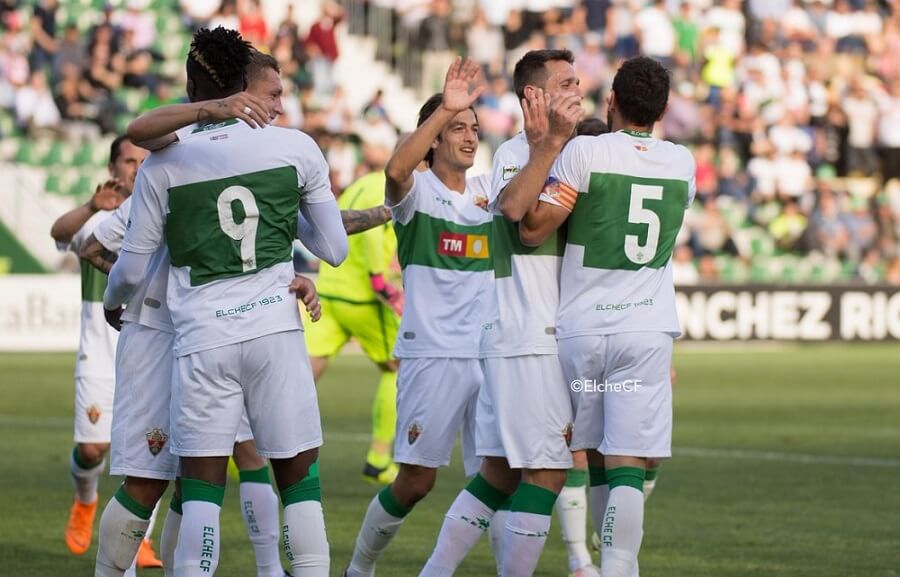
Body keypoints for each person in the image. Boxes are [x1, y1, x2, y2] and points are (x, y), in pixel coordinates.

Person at [102, 27, 347, 576]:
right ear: (248, 84)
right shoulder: (295, 147)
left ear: (191, 86)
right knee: (298, 482)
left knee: (202, 493)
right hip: (275, 335)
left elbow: (132, 269)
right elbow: (333, 248)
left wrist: (112, 302)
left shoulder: (166, 164)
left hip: (202, 341)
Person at [516, 56, 695, 577]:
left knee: (590, 453)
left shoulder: (585, 153)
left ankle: (594, 562)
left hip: (584, 334)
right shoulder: (681, 163)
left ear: (611, 101)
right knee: (628, 466)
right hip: (644, 332)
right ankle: (618, 567)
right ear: (662, 110)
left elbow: (534, 228)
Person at [418, 49, 594, 577]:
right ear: (533, 98)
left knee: (498, 474)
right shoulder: (520, 153)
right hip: (528, 334)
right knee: (545, 476)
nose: (577, 92)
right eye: (565, 84)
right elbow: (519, 214)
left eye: (579, 82)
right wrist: (552, 145)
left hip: (523, 334)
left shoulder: (567, 150)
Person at [344, 58, 493, 577]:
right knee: (416, 483)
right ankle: (359, 568)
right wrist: (441, 109)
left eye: (474, 127)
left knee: (498, 475)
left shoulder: (489, 194)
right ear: (433, 137)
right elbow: (395, 171)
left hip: (489, 354)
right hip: (434, 354)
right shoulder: (417, 194)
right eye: (457, 126)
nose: (470, 135)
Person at [49, 135, 160, 569]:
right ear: (114, 166)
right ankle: (84, 500)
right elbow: (60, 233)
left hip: (148, 343)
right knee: (94, 450)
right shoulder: (100, 215)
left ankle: (142, 538)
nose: (136, 168)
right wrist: (94, 207)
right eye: (129, 161)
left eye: (143, 160)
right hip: (100, 350)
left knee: (148, 451)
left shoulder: (163, 205)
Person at [304, 170, 402, 485]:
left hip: (330, 288)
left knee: (301, 375)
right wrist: (380, 282)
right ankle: (378, 460)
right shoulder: (390, 187)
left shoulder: (362, 182)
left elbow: (336, 217)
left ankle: (246, 448)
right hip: (362, 296)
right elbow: (373, 234)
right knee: (395, 367)